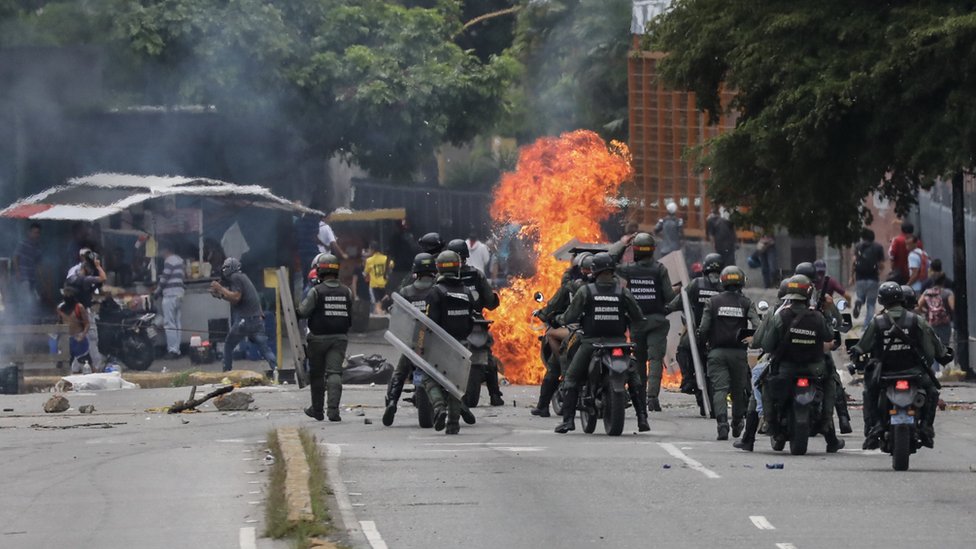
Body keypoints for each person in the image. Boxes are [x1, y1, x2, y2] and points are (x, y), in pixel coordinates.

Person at [553, 252, 650, 434]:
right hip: (619, 344)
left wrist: (559, 317)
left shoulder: (585, 291)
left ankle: (567, 421)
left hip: (591, 343)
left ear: (594, 271)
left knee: (571, 378)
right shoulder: (623, 291)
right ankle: (642, 418)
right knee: (634, 378)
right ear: (612, 270)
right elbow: (638, 316)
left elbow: (571, 316)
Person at [851, 281, 948, 450]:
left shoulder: (877, 322)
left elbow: (862, 346)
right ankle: (925, 426)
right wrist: (925, 362)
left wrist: (856, 354)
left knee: (869, 393)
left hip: (884, 375)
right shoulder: (917, 320)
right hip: (915, 373)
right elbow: (930, 350)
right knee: (932, 392)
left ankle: (876, 426)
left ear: (881, 301)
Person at [759, 275, 845, 453]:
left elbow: (767, 345)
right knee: (831, 382)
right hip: (814, 369)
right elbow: (830, 336)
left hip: (786, 369)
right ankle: (827, 422)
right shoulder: (818, 317)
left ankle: (769, 421)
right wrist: (827, 313)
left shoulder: (780, 316)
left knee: (764, 382)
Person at [609, 233, 676, 412]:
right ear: (652, 250)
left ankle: (639, 395)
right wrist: (679, 290)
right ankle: (652, 397)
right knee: (655, 359)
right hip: (657, 321)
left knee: (638, 360)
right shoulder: (660, 269)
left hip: (637, 322)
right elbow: (669, 296)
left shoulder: (629, 269)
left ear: (636, 251)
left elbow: (609, 262)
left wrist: (623, 244)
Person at [698, 266, 762, 440]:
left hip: (717, 353)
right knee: (738, 389)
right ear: (741, 282)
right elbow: (758, 325)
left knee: (719, 389)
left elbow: (703, 328)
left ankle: (722, 424)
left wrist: (702, 343)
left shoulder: (713, 302)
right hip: (739, 354)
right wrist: (753, 340)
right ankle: (737, 422)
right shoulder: (746, 303)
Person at [530, 253, 592, 417]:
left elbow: (561, 310)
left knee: (553, 361)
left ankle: (563, 376)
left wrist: (548, 315)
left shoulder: (576, 287)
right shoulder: (611, 286)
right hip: (606, 334)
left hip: (578, 332)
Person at [383, 253, 439, 426]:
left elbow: (398, 315)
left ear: (416, 270)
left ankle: (392, 401)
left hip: (413, 343)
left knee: (399, 373)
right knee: (444, 376)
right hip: (435, 343)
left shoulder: (406, 291)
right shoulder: (438, 290)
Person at [424, 250, 476, 435]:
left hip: (440, 345)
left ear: (438, 268)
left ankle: (439, 407)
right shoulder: (466, 292)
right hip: (462, 344)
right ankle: (453, 424)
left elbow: (430, 322)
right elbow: (471, 321)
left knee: (428, 377)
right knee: (456, 384)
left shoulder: (435, 292)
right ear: (458, 267)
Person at [447, 238, 503, 406]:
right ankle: (495, 395)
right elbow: (490, 301)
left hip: (449, 324)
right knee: (489, 359)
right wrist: (493, 301)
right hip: (474, 321)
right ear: (465, 256)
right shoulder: (476, 274)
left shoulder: (442, 276)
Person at [297, 253, 353, 422]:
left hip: (318, 339)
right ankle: (333, 411)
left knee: (317, 375)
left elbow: (304, 312)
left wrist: (296, 311)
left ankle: (318, 410)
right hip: (339, 339)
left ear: (320, 271)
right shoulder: (347, 291)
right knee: (335, 373)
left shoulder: (316, 291)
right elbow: (350, 316)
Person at [667, 252, 725, 416]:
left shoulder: (711, 285)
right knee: (684, 347)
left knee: (683, 348)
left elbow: (679, 300)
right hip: (707, 333)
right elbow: (680, 300)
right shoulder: (704, 285)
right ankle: (688, 378)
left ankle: (688, 380)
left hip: (709, 333)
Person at [210, 258, 277, 375]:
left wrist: (220, 288)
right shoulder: (243, 277)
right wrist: (220, 295)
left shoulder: (236, 277)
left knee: (229, 344)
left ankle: (226, 373)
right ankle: (277, 371)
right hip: (256, 319)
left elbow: (236, 297)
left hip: (245, 320)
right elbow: (236, 300)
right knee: (264, 348)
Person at [65, 249, 107, 371]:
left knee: (81, 338)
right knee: (92, 338)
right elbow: (103, 278)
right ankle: (97, 365)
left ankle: (75, 367)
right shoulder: (84, 279)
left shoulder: (72, 275)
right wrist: (98, 267)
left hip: (74, 311)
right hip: (83, 312)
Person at [918, 274, 955, 372]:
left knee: (932, 347)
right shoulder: (947, 293)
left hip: (930, 323)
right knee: (944, 346)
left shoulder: (927, 292)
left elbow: (918, 306)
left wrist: (926, 312)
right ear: (943, 282)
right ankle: (944, 372)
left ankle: (934, 371)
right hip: (944, 324)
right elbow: (952, 308)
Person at [156, 243, 185, 359]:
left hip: (170, 295)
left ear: (166, 250)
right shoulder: (180, 260)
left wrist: (157, 291)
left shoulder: (169, 260)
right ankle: (177, 350)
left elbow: (164, 279)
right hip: (179, 293)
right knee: (177, 322)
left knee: (169, 323)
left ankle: (172, 350)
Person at [850, 228, 885, 323]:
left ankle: (859, 302)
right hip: (873, 279)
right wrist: (879, 272)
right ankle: (866, 326)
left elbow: (854, 262)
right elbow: (882, 265)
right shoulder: (878, 247)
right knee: (871, 304)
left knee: (860, 297)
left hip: (860, 278)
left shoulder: (858, 246)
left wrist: (851, 276)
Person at [56, 286, 91, 373]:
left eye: (69, 295)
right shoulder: (60, 308)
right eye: (65, 295)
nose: (67, 297)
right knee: (62, 365)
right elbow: (60, 322)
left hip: (78, 338)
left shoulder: (79, 307)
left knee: (85, 364)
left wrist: (82, 336)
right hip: (66, 339)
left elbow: (87, 323)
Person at [12, 222, 43, 318]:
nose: (36, 235)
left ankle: (28, 317)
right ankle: (23, 318)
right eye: (34, 232)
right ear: (29, 233)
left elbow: (38, 265)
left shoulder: (38, 248)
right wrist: (17, 272)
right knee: (26, 298)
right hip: (23, 276)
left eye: (38, 233)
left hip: (32, 277)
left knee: (33, 298)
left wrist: (41, 279)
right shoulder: (23, 244)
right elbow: (15, 257)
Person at [387, 219, 418, 291]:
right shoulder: (410, 236)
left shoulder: (394, 238)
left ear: (395, 227)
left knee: (391, 289)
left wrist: (387, 271)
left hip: (399, 269)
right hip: (410, 268)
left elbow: (390, 255)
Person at [364, 241, 391, 315]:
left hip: (374, 286)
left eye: (369, 249)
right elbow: (391, 265)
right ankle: (383, 315)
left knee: (377, 304)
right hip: (385, 285)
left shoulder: (369, 260)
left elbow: (365, 273)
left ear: (372, 249)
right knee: (384, 304)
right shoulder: (385, 258)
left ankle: (380, 318)